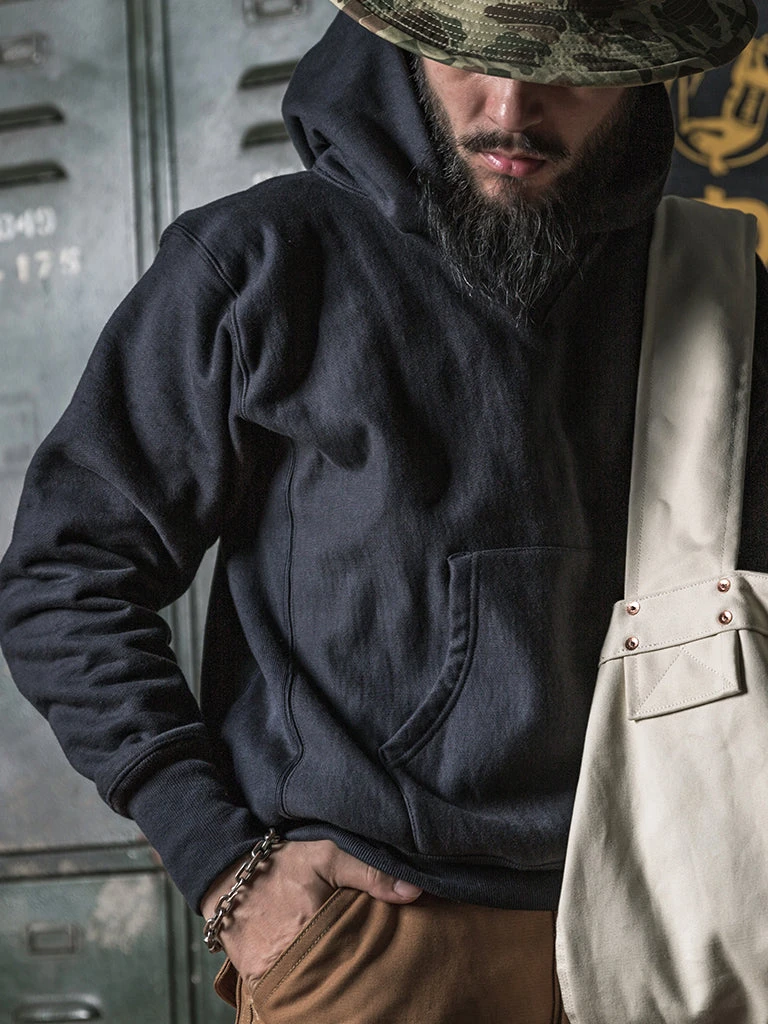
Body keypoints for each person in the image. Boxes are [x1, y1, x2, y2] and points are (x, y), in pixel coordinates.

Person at [0, 0, 765, 1020]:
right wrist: (222, 864)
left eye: (566, 70)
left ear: (637, 74)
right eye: (470, 59)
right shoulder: (259, 260)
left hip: (672, 922)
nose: (510, 109)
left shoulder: (713, 288)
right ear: (405, 42)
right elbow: (65, 577)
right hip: (372, 935)